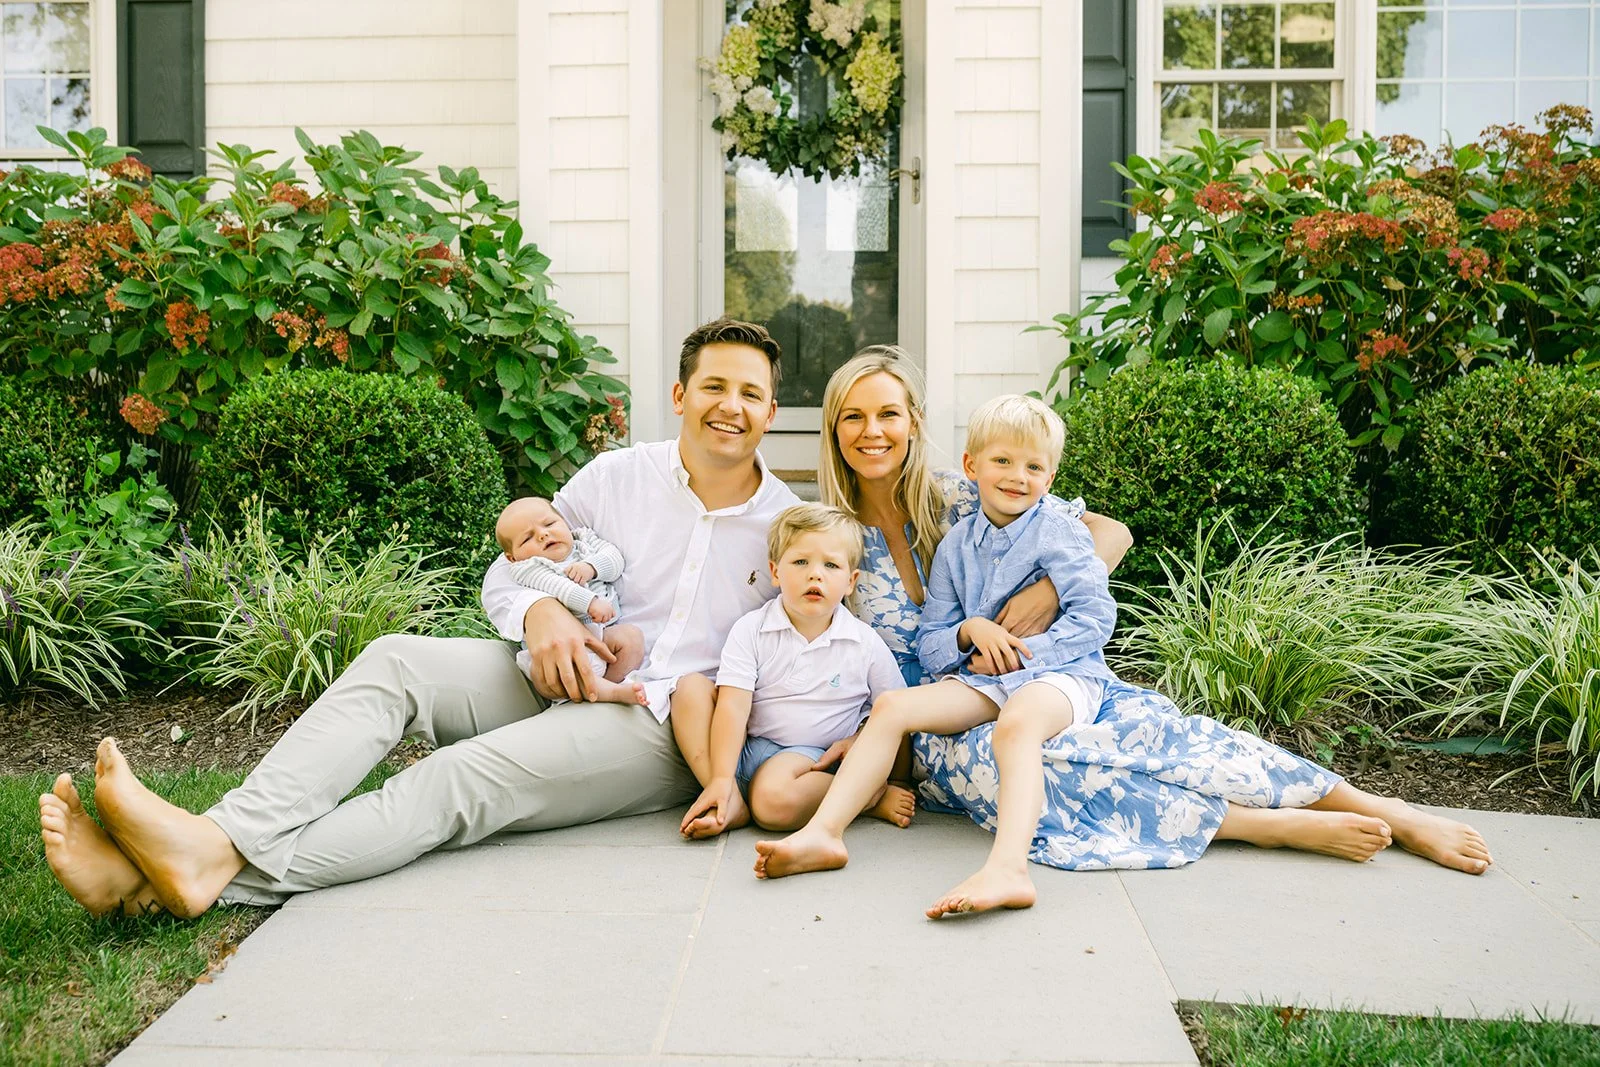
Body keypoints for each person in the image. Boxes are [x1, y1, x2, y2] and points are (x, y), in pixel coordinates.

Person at [37, 318, 799, 918]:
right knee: (398, 657)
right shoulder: (616, 476)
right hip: (550, 668)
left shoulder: (789, 528)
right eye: (714, 386)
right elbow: (512, 565)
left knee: (460, 780)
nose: (730, 407)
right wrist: (536, 608)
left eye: (750, 393)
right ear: (679, 394)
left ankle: (188, 870)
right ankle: (205, 845)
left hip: (659, 724)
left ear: (770, 409)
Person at [753, 348, 1492, 917]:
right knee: (1047, 764)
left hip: (1045, 675)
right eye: (853, 416)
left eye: (887, 413)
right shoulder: (831, 535)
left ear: (913, 421)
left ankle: (1375, 805)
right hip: (943, 719)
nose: (872, 430)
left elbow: (1108, 531)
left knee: (1149, 736)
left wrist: (1046, 594)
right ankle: (1257, 825)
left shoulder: (967, 489)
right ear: (832, 428)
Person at [673, 503, 913, 840]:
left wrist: (895, 779)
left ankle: (867, 797)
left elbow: (897, 711)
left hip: (809, 761)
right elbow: (732, 705)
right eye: (800, 562)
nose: (815, 574)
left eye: (831, 565)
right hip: (743, 749)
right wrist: (723, 776)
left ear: (850, 581)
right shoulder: (752, 629)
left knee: (774, 802)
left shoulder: (862, 643)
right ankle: (727, 795)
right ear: (774, 572)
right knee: (689, 689)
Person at [494, 496, 648, 707]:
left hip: (603, 635)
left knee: (632, 638)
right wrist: (590, 602)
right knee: (561, 671)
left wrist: (591, 568)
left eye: (549, 524)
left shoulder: (585, 541)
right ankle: (611, 694)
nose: (543, 534)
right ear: (512, 557)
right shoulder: (527, 568)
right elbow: (558, 587)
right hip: (558, 649)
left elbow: (615, 560)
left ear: (565, 522)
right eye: (527, 538)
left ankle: (608, 686)